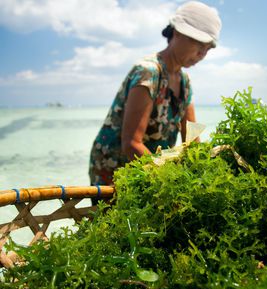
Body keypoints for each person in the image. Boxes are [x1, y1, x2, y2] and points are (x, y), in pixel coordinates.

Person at [88, 1, 222, 195]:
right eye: (199, 44)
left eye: (208, 49)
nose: (202, 54)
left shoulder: (185, 82)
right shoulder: (149, 73)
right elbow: (132, 144)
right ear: (177, 33)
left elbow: (192, 141)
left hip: (152, 170)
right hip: (114, 169)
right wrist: (172, 180)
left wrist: (203, 176)